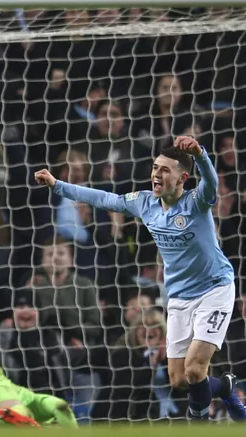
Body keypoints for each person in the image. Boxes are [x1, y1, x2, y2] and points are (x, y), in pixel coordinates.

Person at [34, 136, 245, 421]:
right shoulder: (145, 203)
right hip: (180, 297)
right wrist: (58, 185)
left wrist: (200, 154)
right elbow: (104, 198)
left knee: (196, 370)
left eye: (165, 170)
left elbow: (210, 182)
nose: (156, 174)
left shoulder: (197, 201)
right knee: (179, 380)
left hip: (215, 289)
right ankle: (226, 386)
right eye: (155, 168)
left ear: (182, 178)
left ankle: (198, 423)